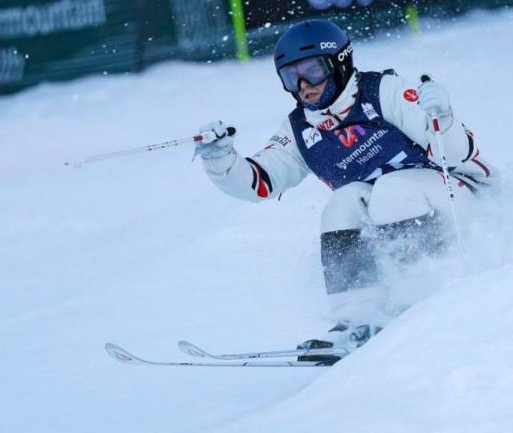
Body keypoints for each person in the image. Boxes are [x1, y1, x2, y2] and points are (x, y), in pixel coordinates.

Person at [194, 19, 497, 354]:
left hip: (466, 200)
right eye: (291, 77)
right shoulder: (300, 129)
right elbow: (259, 182)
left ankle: (421, 297)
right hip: (402, 210)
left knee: (392, 190)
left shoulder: (384, 92)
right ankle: (357, 320)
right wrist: (221, 160)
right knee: (343, 203)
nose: (303, 86)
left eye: (312, 71)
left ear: (340, 64)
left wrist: (444, 119)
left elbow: (454, 153)